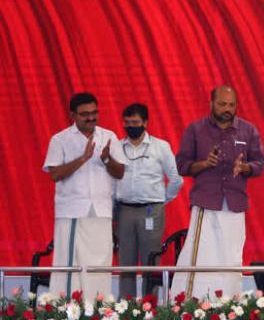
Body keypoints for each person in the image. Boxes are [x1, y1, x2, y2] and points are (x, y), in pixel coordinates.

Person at [171, 86, 264, 299]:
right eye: (222, 104)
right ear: (211, 103)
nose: (227, 109)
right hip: (206, 204)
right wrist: (204, 164)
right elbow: (182, 166)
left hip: (234, 205)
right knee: (201, 258)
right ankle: (192, 304)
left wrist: (245, 168)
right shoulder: (196, 130)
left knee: (231, 260)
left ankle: (228, 307)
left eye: (231, 105)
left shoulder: (248, 131)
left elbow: (259, 163)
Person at [42, 92, 125, 300]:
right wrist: (84, 158)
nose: (91, 118)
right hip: (72, 212)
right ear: (73, 115)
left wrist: (106, 159)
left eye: (94, 113)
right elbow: (55, 174)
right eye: (85, 114)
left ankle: (98, 311)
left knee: (101, 265)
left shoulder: (109, 137)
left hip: (101, 211)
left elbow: (120, 173)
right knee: (70, 266)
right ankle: (66, 312)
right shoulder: (60, 139)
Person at [115, 103, 184, 299]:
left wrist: (161, 201)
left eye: (135, 122)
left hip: (151, 211)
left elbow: (176, 179)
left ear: (145, 122)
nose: (131, 126)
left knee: (151, 262)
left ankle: (149, 307)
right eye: (127, 123)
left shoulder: (160, 147)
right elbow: (112, 182)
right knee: (125, 264)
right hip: (124, 211)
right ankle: (125, 308)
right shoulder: (117, 147)